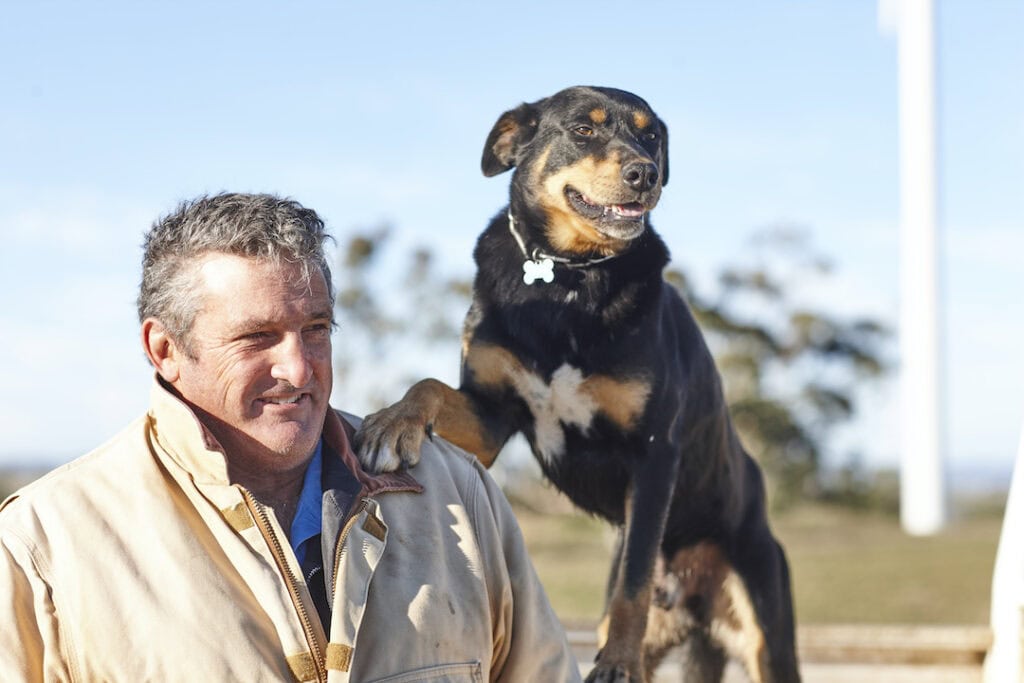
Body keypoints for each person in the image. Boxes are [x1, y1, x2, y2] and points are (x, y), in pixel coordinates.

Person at [0, 192, 580, 682]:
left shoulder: (456, 491)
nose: (300, 370)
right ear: (165, 349)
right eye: (257, 338)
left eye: (315, 329)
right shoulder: (44, 547)